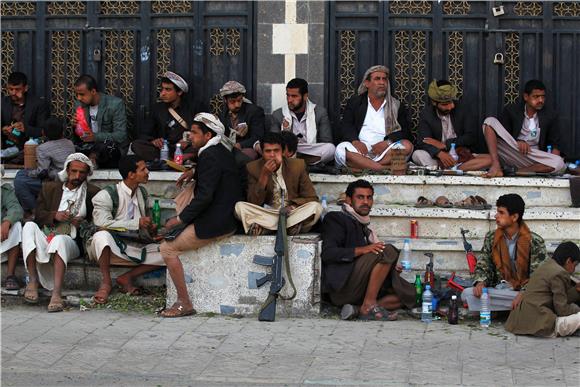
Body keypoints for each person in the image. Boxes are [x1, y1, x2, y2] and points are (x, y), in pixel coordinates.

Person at [159, 113, 243, 317]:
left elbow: (205, 196)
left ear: (208, 135)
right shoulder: (219, 151)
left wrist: (179, 219)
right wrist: (193, 172)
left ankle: (184, 303)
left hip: (217, 223)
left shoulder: (210, 155)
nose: (190, 137)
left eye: (195, 133)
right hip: (224, 217)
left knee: (167, 249)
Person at [321, 179, 415, 320]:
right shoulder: (336, 219)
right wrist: (362, 250)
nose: (365, 202)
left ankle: (359, 309)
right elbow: (328, 253)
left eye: (369, 197)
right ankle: (369, 305)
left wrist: (390, 268)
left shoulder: (363, 226)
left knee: (410, 294)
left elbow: (372, 262)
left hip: (362, 288)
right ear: (348, 200)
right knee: (386, 250)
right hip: (343, 288)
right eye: (360, 197)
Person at [21, 153, 100, 312]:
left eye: (82, 172)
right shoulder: (50, 188)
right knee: (28, 227)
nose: (77, 176)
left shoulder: (93, 192)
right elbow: (38, 215)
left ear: (87, 174)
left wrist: (82, 223)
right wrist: (54, 215)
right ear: (67, 170)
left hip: (70, 240)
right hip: (47, 234)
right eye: (74, 171)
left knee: (60, 241)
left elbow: (97, 223)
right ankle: (33, 280)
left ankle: (56, 294)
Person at [88, 155, 165, 304]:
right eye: (143, 169)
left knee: (170, 251)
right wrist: (136, 223)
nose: (148, 171)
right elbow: (101, 223)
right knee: (101, 236)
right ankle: (106, 282)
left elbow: (142, 226)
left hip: (134, 246)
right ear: (131, 174)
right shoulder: (105, 195)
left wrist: (150, 230)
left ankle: (127, 277)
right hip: (111, 248)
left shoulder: (142, 193)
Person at [461, 193, 548, 311]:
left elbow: (538, 276)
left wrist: (523, 293)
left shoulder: (534, 241)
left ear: (514, 217)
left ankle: (508, 307)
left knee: (538, 297)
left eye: (501, 213)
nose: (496, 216)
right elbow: (484, 263)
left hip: (525, 291)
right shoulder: (492, 237)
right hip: (500, 289)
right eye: (497, 212)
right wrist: (480, 282)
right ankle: (516, 308)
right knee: (467, 294)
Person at [235, 132, 322, 236]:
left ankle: (266, 229)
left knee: (316, 208)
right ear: (262, 153)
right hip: (267, 214)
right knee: (239, 207)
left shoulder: (297, 165)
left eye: (276, 150)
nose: (272, 155)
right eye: (268, 151)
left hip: (290, 214)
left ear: (283, 151)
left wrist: (292, 207)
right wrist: (264, 176)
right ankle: (287, 228)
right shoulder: (252, 168)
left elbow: (312, 197)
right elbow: (253, 202)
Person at [335, 65, 413, 171]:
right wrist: (355, 142)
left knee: (407, 146)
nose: (382, 82)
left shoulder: (396, 105)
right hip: (360, 150)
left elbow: (405, 132)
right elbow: (346, 126)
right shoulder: (356, 102)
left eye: (384, 79)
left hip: (385, 151)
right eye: (377, 79)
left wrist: (387, 143)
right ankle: (382, 168)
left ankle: (363, 166)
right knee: (341, 149)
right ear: (367, 83)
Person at [483, 79, 566, 177]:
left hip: (536, 156)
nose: (541, 100)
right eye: (536, 97)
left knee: (559, 163)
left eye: (543, 97)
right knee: (489, 121)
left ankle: (515, 171)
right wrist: (518, 141)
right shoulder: (512, 111)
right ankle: (496, 165)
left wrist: (551, 160)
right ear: (526, 97)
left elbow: (555, 144)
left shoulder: (550, 115)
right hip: (514, 152)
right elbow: (503, 136)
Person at [412, 80, 492, 171]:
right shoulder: (426, 114)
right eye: (445, 104)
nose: (451, 106)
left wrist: (446, 145)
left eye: (451, 102)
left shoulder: (463, 109)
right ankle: (454, 169)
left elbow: (471, 137)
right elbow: (423, 142)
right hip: (438, 158)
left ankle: (450, 170)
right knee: (417, 155)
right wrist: (439, 153)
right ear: (435, 103)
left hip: (461, 155)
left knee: (491, 159)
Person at [505, 241, 580, 337]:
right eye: (575, 264)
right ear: (568, 261)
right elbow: (562, 310)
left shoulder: (547, 266)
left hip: (519, 322)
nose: (574, 269)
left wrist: (575, 290)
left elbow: (559, 297)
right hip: (541, 323)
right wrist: (577, 309)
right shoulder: (559, 273)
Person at [130, 71, 203, 162]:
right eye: (162, 89)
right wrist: (154, 141)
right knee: (137, 145)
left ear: (179, 92)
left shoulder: (194, 107)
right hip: (164, 149)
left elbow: (203, 132)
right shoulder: (157, 109)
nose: (162, 94)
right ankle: (168, 161)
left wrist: (188, 140)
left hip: (186, 148)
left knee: (202, 146)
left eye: (168, 90)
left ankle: (181, 159)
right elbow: (144, 134)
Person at [13, 118, 75, 216]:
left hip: (57, 180)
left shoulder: (43, 148)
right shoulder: (69, 143)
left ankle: (34, 211)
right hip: (68, 177)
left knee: (20, 181)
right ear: (62, 131)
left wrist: (30, 172)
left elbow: (42, 171)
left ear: (43, 132)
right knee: (22, 174)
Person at [268, 78, 335, 165]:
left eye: (294, 96)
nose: (289, 100)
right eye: (288, 95)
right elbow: (274, 142)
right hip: (289, 149)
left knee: (330, 149)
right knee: (276, 150)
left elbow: (326, 140)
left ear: (305, 96)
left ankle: (296, 162)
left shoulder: (319, 112)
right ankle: (308, 162)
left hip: (310, 149)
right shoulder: (278, 114)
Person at [71, 74, 128, 168]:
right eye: (76, 94)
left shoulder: (115, 104)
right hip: (88, 146)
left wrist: (95, 137)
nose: (78, 98)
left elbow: (121, 135)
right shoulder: (79, 105)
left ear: (93, 91)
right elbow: (78, 138)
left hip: (109, 149)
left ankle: (90, 162)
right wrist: (75, 127)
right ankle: (88, 162)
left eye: (82, 94)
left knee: (105, 146)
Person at [1, 71, 50, 162]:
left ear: (26, 88)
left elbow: (44, 131)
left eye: (17, 89)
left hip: (29, 151)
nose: (13, 93)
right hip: (6, 148)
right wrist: (3, 129)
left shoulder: (38, 104)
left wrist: (26, 128)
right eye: (11, 89)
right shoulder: (3, 103)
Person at [218, 81, 265, 160]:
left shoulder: (254, 111)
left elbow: (258, 136)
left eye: (239, 100)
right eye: (232, 101)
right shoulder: (223, 113)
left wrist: (239, 145)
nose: (237, 105)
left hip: (246, 148)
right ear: (225, 100)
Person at [1, 173, 24, 291]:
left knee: (17, 226)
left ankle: (10, 275)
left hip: (1, 238)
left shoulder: (4, 190)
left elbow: (16, 208)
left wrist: (7, 222)